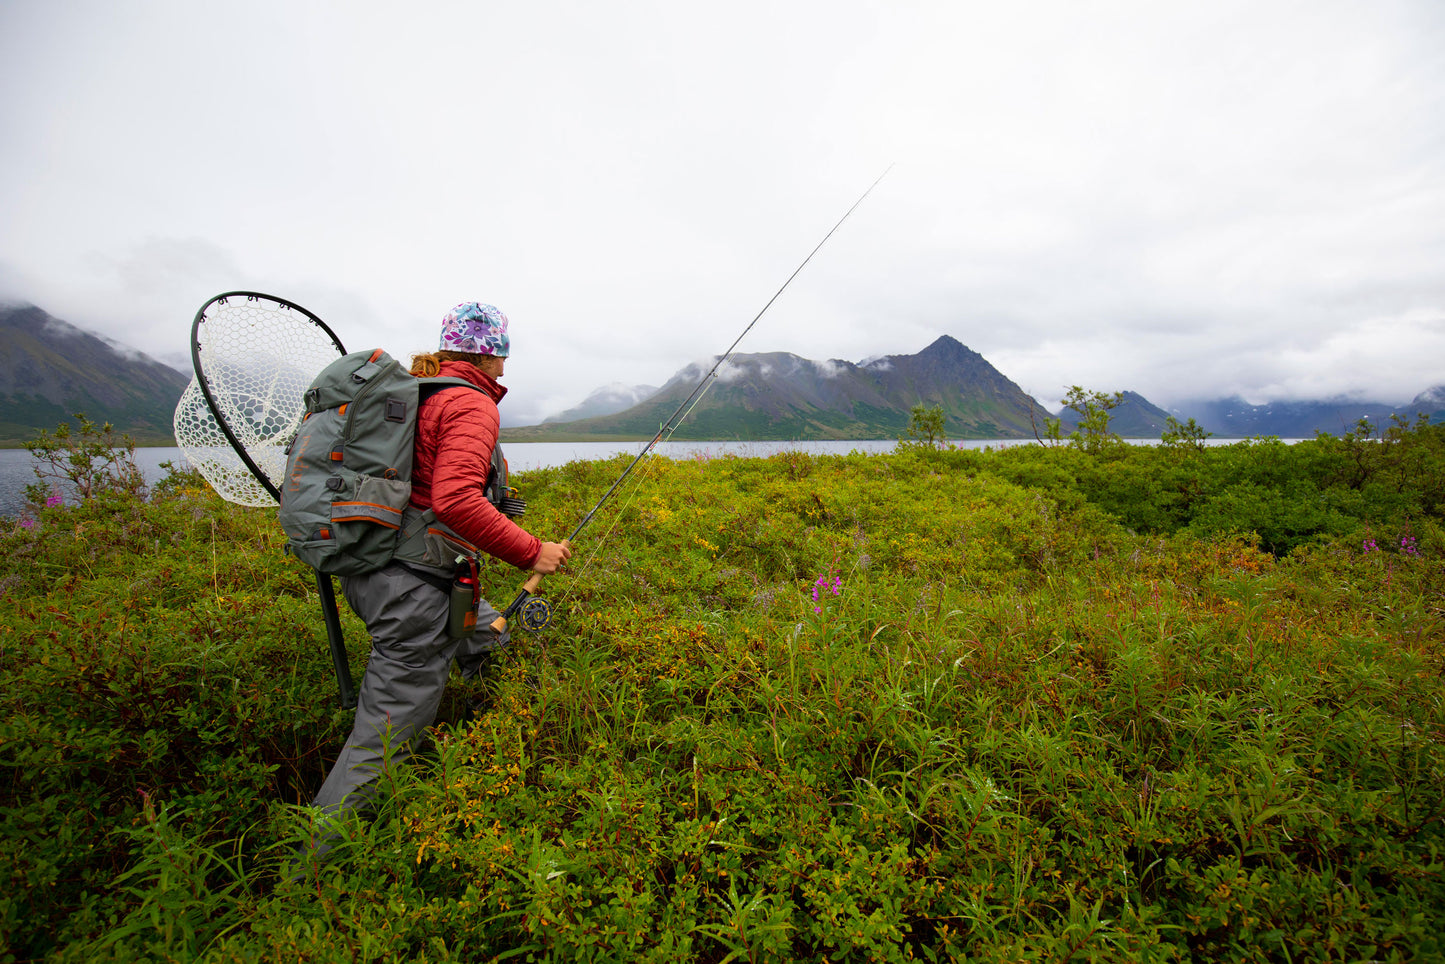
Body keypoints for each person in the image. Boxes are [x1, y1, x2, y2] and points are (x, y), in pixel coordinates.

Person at [311, 302, 571, 818]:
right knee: (381, 746)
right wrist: (532, 552)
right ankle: (309, 873)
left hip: (375, 570)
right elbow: (455, 500)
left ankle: (480, 705)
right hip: (416, 589)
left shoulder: (417, 393)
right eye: (503, 353)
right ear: (494, 353)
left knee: (488, 627)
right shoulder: (471, 405)